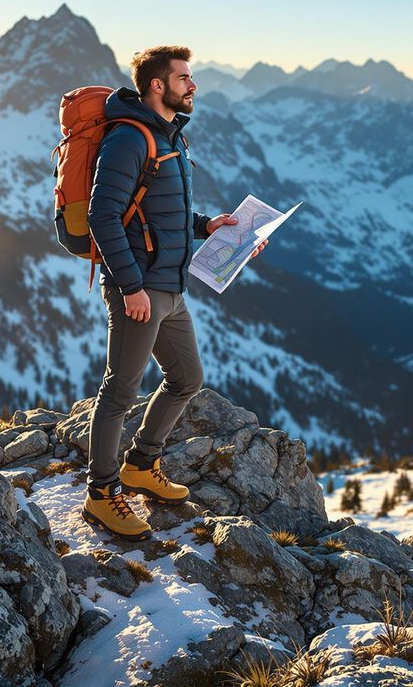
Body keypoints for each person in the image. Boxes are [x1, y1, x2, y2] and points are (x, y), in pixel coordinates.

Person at [82, 45, 265, 540]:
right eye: (184, 78)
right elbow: (102, 216)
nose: (193, 86)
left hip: (170, 285)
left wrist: (209, 224)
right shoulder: (128, 139)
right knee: (120, 390)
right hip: (139, 289)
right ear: (157, 85)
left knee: (187, 377)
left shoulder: (170, 137)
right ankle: (101, 495)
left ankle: (141, 464)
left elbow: (157, 213)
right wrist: (130, 286)